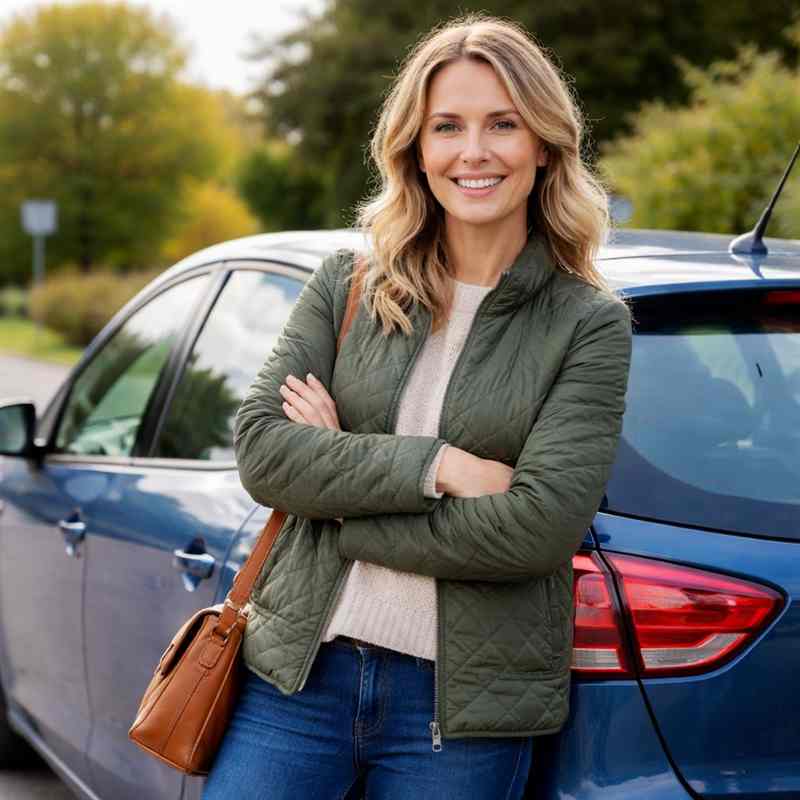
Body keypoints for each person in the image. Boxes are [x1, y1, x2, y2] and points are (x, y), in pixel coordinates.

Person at [202, 12, 633, 800]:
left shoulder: (588, 323)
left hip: (461, 718)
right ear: (416, 148)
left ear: (542, 143)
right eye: (448, 126)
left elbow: (537, 529)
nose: (474, 151)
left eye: (501, 123)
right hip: (296, 682)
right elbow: (265, 451)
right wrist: (440, 466)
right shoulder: (348, 285)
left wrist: (335, 512)